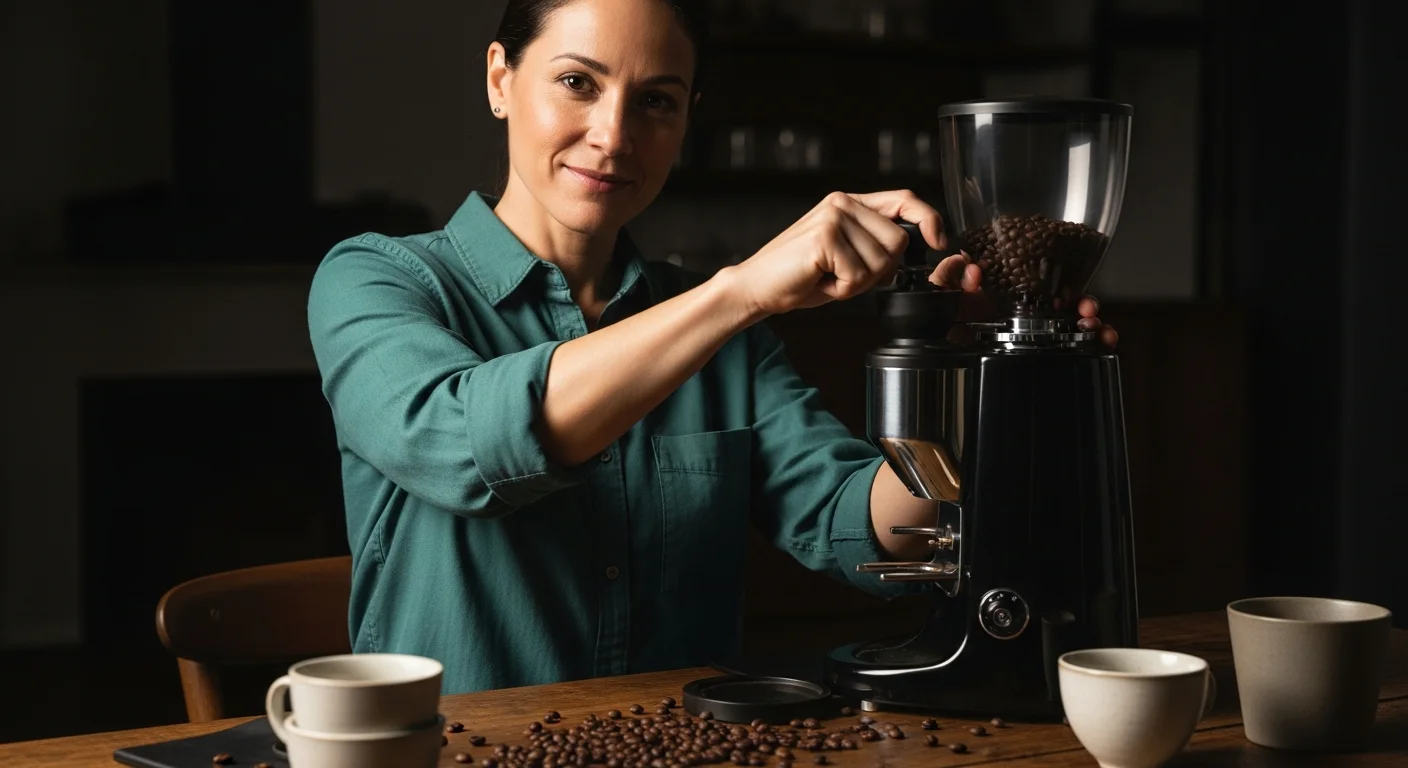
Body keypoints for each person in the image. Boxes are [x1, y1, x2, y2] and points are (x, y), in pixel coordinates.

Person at [306, 0, 1115, 696]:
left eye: (656, 100)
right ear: (499, 79)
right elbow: (464, 446)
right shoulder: (378, 280)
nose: (614, 134)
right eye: (577, 82)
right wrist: (742, 289)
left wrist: (997, 376)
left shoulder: (723, 331)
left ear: (687, 117)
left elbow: (867, 528)